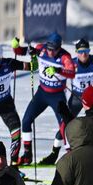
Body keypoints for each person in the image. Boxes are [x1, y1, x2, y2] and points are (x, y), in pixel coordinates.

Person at [14, 33, 77, 166]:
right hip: (42, 94)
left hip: (57, 96)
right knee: (26, 121)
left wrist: (57, 70)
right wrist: (16, 47)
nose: (50, 52)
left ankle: (70, 157)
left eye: (53, 49)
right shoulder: (41, 48)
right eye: (48, 48)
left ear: (59, 48)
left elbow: (72, 73)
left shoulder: (65, 57)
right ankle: (27, 155)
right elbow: (21, 52)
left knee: (64, 127)